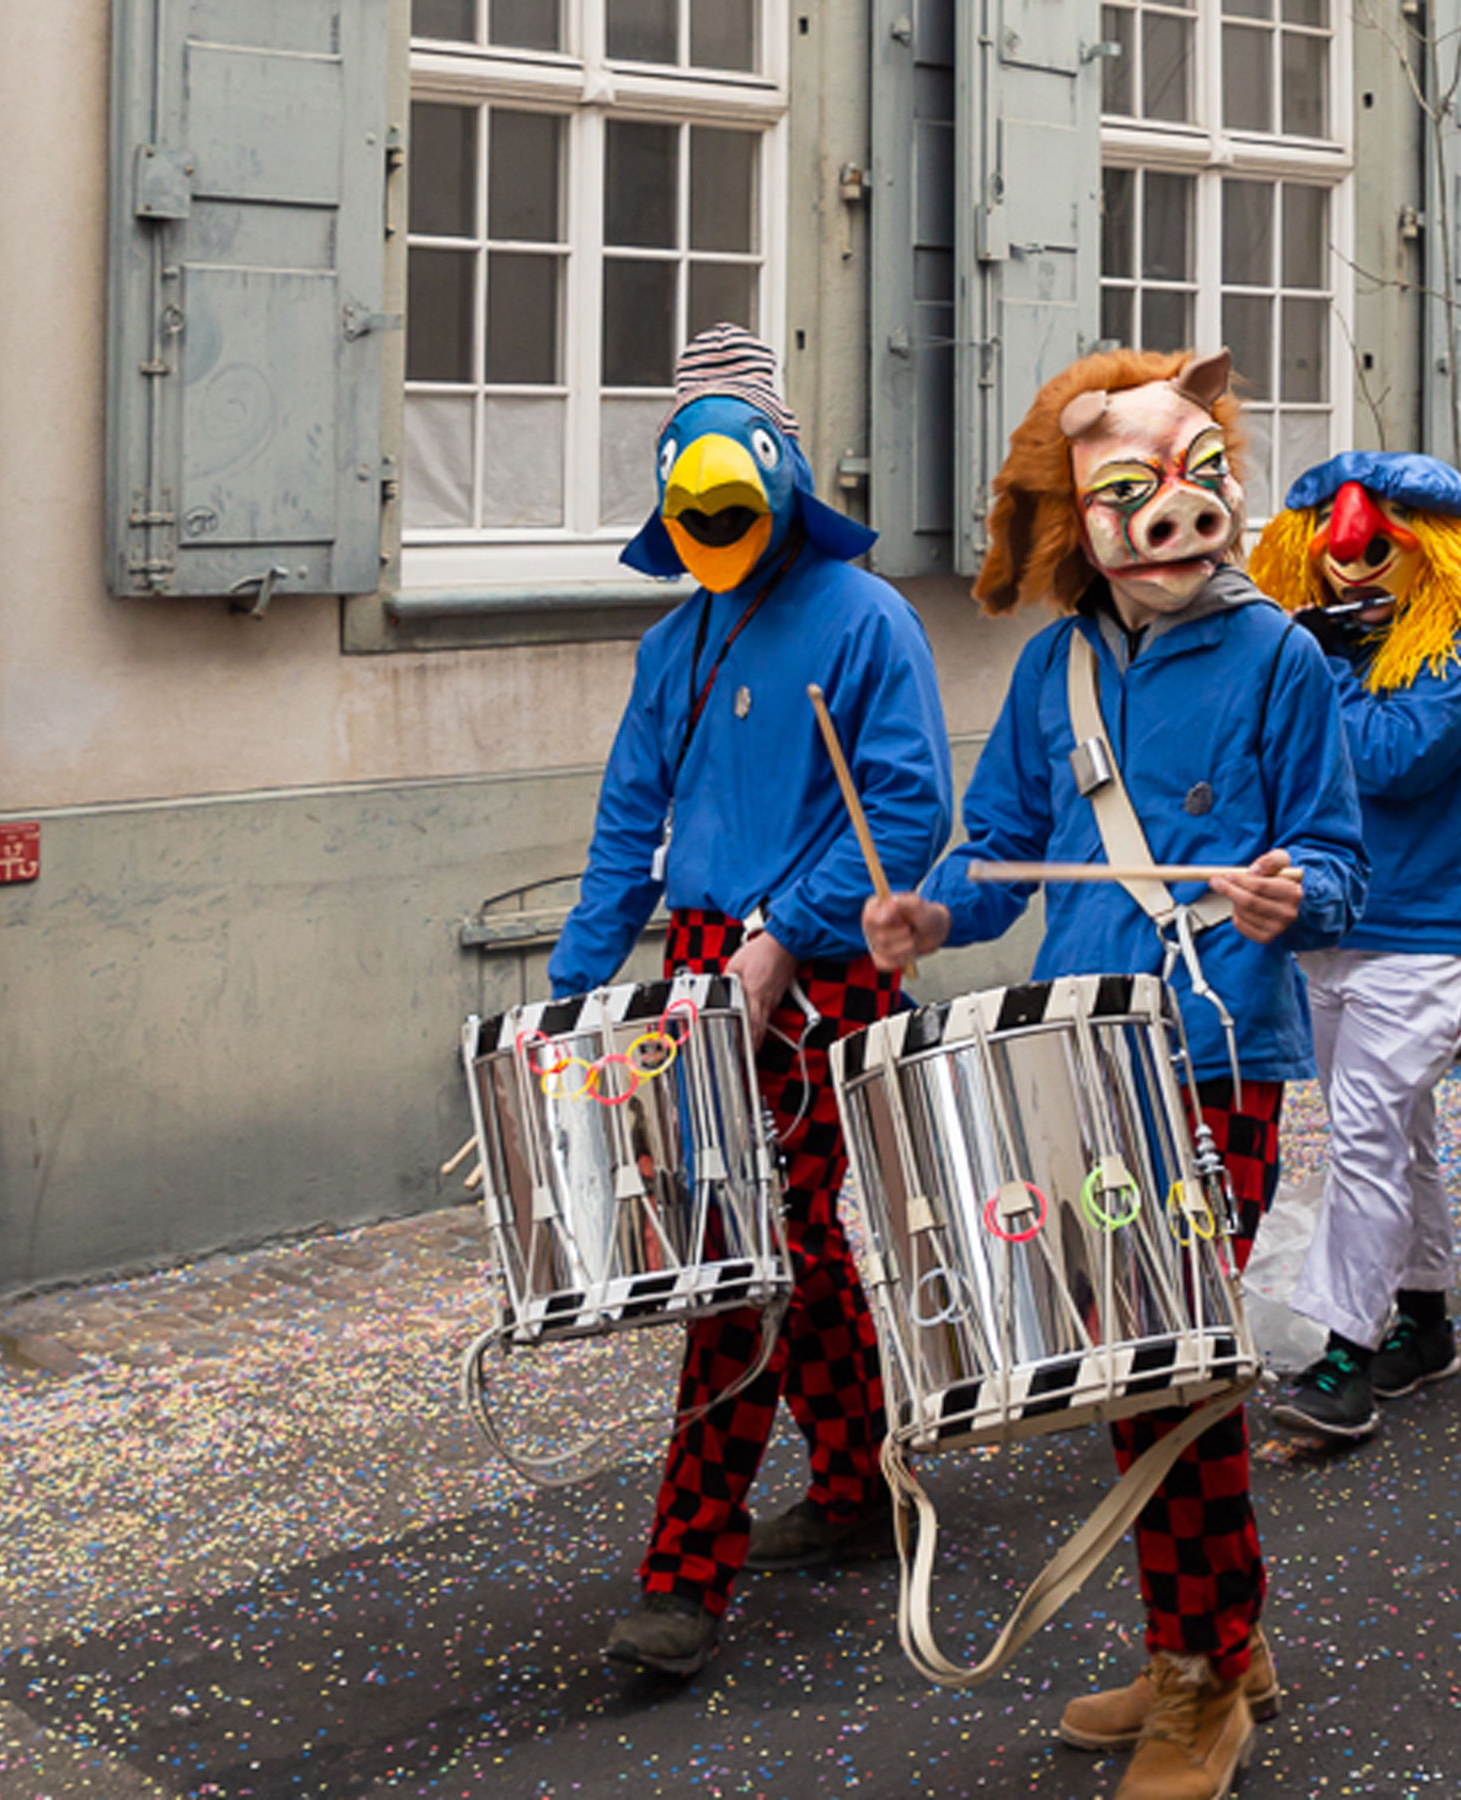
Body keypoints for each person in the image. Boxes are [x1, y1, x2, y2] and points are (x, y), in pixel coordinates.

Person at [859, 347, 1365, 1800]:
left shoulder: (1279, 658)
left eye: (1201, 481)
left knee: (1177, 1379)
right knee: (1139, 1376)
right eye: (1134, 491)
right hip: (1073, 1053)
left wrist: (1294, 897)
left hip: (1213, 1055)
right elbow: (988, 848)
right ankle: (1210, 1641)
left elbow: (1336, 860)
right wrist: (926, 914)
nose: (1176, 516)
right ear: (1072, 511)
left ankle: (1200, 1676)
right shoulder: (1050, 667)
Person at [546, 325, 954, 1680]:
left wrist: (784, 932)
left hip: (817, 966)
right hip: (704, 964)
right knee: (794, 1242)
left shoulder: (869, 618)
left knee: (741, 1251)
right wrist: (569, 992)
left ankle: (684, 1574)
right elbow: (626, 827)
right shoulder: (679, 638)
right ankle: (859, 1486)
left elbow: (905, 805)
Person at [1241, 451, 1461, 1441]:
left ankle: (1341, 1352)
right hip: (1327, 925)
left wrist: (1309, 664)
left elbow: (1385, 758)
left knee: (1365, 1129)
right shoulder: (1308, 650)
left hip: (1432, 926)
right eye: (1328, 533)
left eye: (1382, 535)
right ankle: (1425, 1319)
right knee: (1396, 1132)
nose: (1351, 553)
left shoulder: (1460, 654)